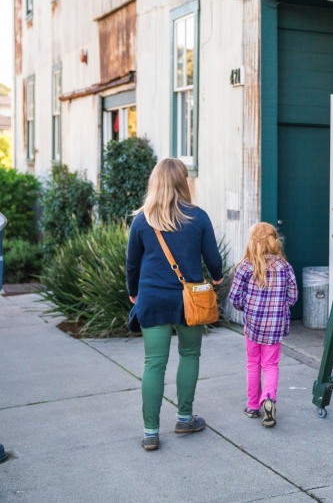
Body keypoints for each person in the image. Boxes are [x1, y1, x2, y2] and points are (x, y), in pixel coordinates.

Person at [126, 158, 224, 451]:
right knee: (190, 354)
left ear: (154, 182)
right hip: (189, 301)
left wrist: (134, 293)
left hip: (152, 299)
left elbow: (132, 264)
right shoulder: (198, 217)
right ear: (183, 182)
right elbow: (214, 260)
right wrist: (217, 278)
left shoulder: (142, 219)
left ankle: (150, 433)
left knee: (154, 363)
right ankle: (184, 418)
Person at [228, 222, 298, 428]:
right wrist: (280, 307)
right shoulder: (284, 267)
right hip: (275, 325)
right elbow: (293, 296)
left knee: (253, 363)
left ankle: (252, 406)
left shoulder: (245, 266)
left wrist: (246, 307)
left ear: (252, 241)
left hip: (253, 324)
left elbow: (234, 297)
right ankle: (268, 398)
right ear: (275, 241)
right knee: (270, 364)